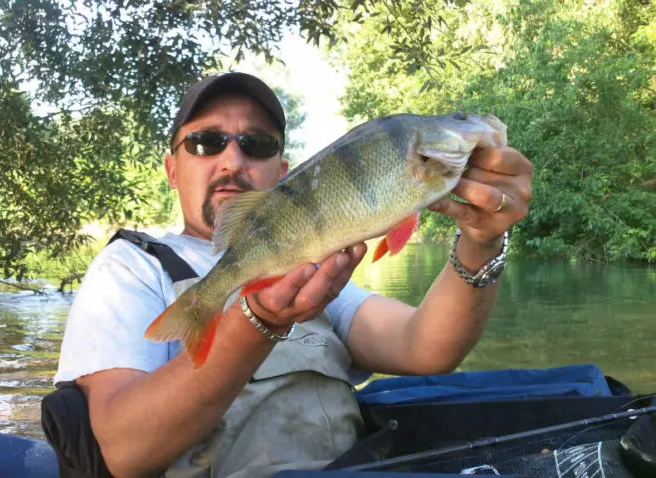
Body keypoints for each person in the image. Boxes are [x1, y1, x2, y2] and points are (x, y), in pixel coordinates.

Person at [53, 71, 533, 478]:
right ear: (172, 168)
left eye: (256, 144)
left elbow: (427, 347)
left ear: (283, 172)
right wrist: (257, 321)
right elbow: (123, 450)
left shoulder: (316, 266)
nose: (233, 159)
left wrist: (481, 240)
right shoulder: (132, 267)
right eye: (205, 141)